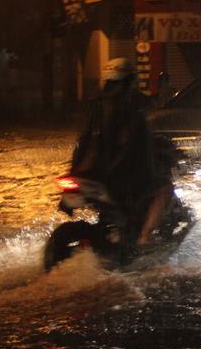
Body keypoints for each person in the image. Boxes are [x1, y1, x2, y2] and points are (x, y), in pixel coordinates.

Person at [70, 58, 173, 247]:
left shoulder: (94, 105)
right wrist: (164, 89)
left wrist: (74, 170)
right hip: (122, 176)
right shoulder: (132, 103)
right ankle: (144, 237)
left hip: (92, 174)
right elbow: (137, 142)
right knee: (165, 189)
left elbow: (82, 142)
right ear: (130, 80)